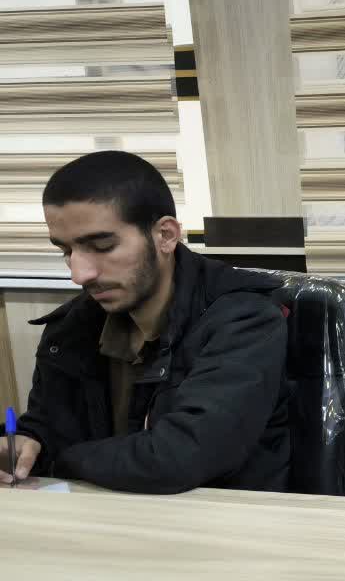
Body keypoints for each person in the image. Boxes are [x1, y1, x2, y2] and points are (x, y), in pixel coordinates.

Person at [0, 151, 291, 493]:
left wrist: (59, 460)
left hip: (222, 517)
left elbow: (178, 458)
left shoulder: (244, 321)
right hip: (107, 510)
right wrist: (28, 442)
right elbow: (49, 424)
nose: (79, 274)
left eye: (102, 246)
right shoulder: (73, 325)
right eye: (66, 251)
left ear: (165, 235)